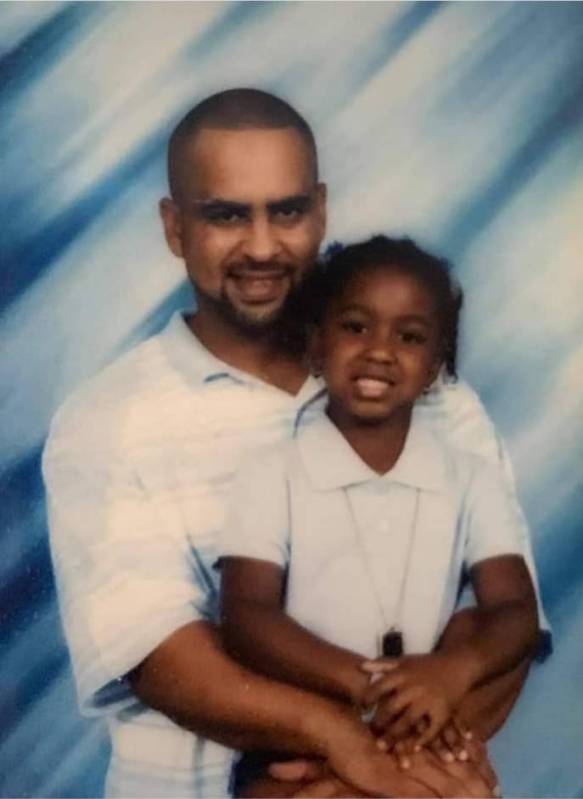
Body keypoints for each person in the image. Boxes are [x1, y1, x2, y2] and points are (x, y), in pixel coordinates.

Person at [42, 88, 546, 798]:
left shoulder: (435, 400)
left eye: (286, 210)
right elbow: (166, 659)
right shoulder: (108, 421)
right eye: (225, 215)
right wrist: (343, 743)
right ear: (174, 226)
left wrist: (366, 778)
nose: (261, 245)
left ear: (321, 210)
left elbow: (502, 633)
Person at [219, 236, 540, 791]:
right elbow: (247, 615)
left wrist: (450, 673)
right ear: (316, 344)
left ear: (437, 365)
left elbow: (515, 612)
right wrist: (363, 683)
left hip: (419, 722)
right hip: (294, 739)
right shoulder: (271, 472)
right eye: (355, 327)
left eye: (410, 336)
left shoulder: (470, 477)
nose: (380, 351)